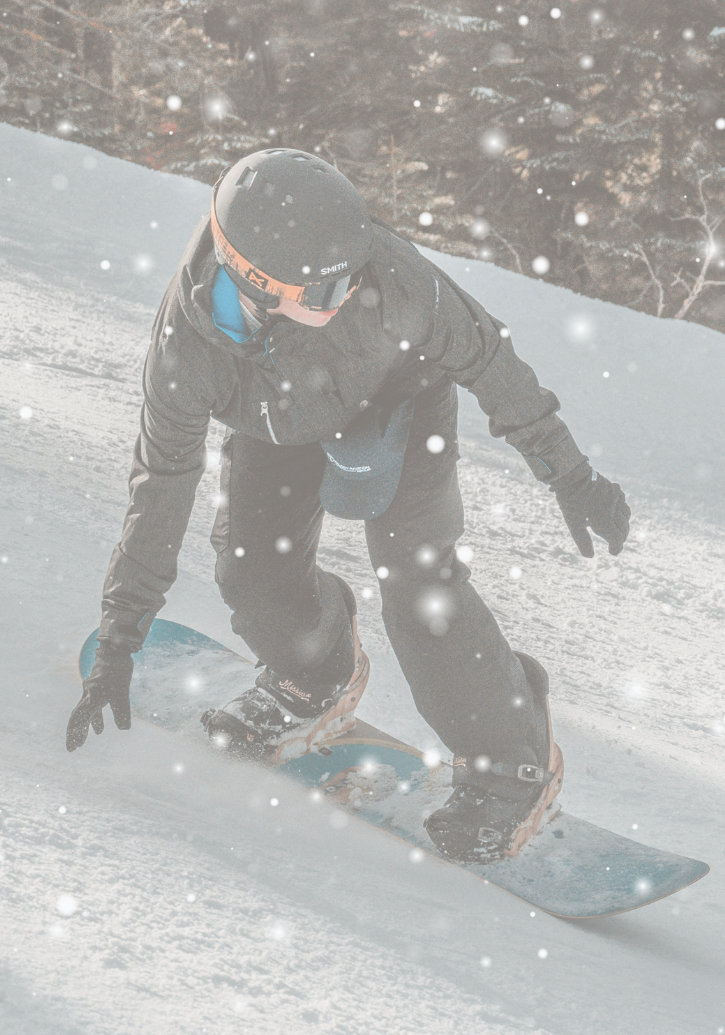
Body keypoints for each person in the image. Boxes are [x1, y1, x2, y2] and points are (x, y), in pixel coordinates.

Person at [65, 148, 630, 864]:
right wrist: (121, 635)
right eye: (327, 287)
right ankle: (316, 673)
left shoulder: (391, 279)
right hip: (274, 418)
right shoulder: (189, 351)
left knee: (420, 590)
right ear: (259, 285)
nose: (352, 286)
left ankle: (511, 761)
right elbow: (162, 479)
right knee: (248, 572)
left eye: (352, 267)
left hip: (399, 400)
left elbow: (487, 356)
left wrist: (569, 474)